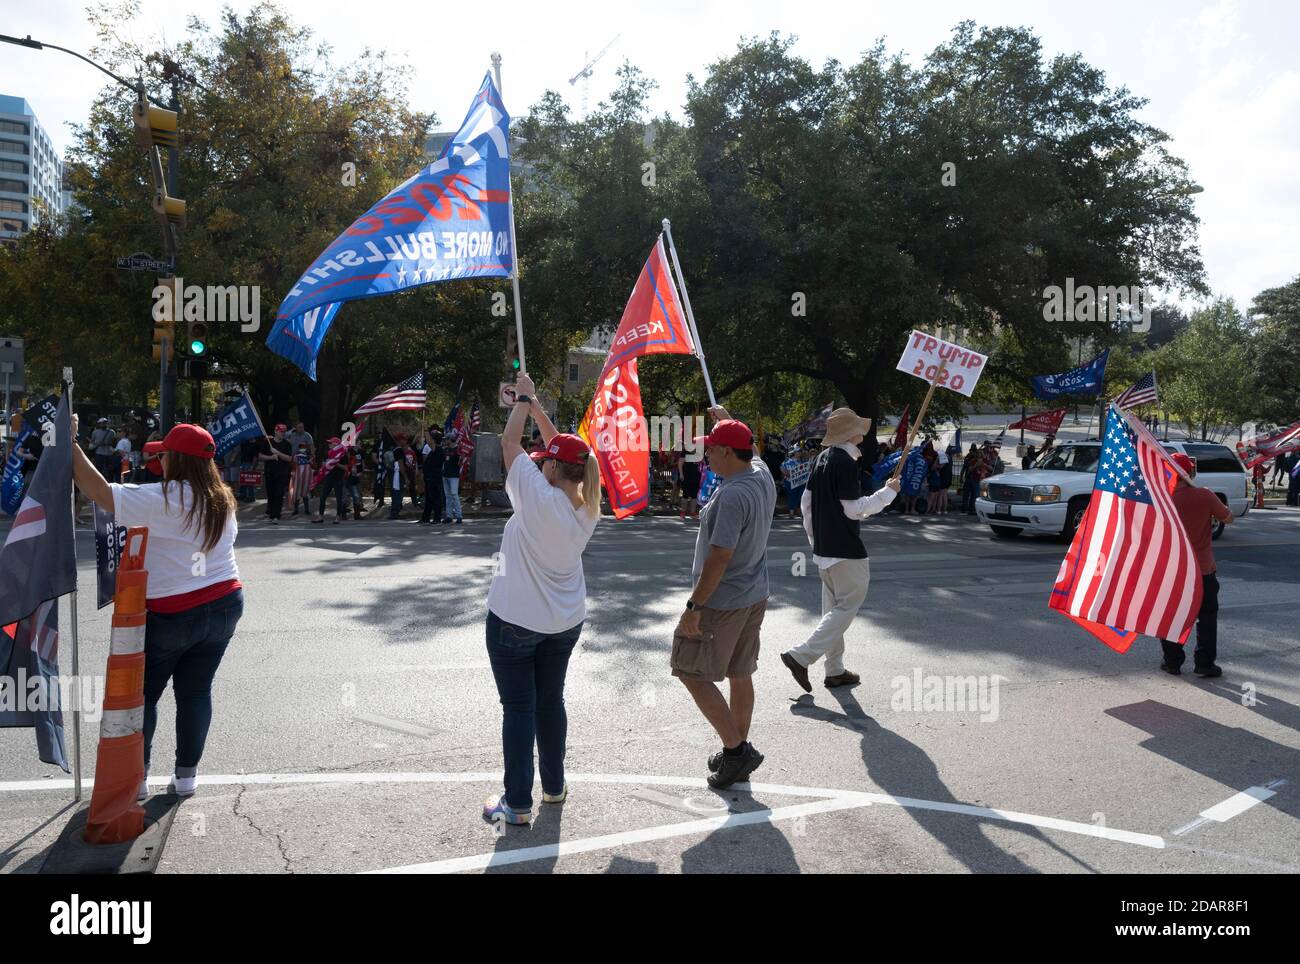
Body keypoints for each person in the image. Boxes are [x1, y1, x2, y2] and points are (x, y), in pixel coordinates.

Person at [69, 420, 242, 801]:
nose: (159, 459)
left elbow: (98, 491)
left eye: (163, 454)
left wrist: (70, 445)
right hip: (226, 602)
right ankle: (186, 779)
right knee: (197, 691)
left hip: (174, 611)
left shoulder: (163, 498)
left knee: (144, 695)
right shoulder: (223, 497)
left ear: (176, 459)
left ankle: (138, 778)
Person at [481, 373, 601, 826]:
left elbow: (509, 445)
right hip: (565, 621)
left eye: (546, 460)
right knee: (550, 703)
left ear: (551, 467)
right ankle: (553, 786)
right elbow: (568, 451)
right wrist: (537, 410)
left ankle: (517, 802)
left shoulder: (536, 497)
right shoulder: (587, 501)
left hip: (515, 620)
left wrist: (524, 398)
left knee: (519, 709)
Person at [673, 408, 775, 789]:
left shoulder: (733, 495)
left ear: (729, 454)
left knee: (689, 670)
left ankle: (736, 751)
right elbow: (753, 448)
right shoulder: (760, 473)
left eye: (712, 448)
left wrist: (693, 608)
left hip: (724, 600)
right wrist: (728, 418)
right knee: (740, 671)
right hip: (754, 593)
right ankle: (738, 747)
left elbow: (719, 557)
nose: (707, 455)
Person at [782, 407, 900, 691]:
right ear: (852, 433)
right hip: (845, 548)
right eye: (860, 426)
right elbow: (854, 510)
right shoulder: (845, 463)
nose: (864, 430)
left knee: (833, 611)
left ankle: (834, 670)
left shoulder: (822, 458)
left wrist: (815, 540)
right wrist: (888, 494)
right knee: (845, 608)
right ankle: (802, 655)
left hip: (825, 548)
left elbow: (805, 504)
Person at [1159, 454, 1233, 677]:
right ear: (1190, 473)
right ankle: (1204, 663)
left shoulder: (1164, 499)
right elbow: (1228, 518)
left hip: (1175, 570)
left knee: (1172, 616)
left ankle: (1172, 662)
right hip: (1203, 570)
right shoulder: (1205, 495)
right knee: (1207, 618)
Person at [258, 424, 293, 524]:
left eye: (284, 431)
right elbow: (260, 456)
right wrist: (271, 457)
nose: (282, 433)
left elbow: (289, 458)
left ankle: (276, 515)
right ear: (275, 431)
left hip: (282, 473)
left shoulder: (287, 444)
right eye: (281, 431)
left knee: (279, 494)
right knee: (270, 494)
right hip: (269, 473)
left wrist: (277, 453)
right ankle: (271, 512)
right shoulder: (268, 442)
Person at [313, 436, 349, 524]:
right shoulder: (328, 453)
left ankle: (338, 516)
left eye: (331, 443)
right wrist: (323, 466)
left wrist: (336, 463)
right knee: (323, 497)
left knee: (339, 498)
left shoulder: (342, 455)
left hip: (338, 479)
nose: (329, 445)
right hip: (328, 478)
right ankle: (320, 516)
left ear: (336, 445)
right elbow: (324, 465)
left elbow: (346, 468)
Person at [419, 428, 447, 524]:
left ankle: (437, 518)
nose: (429, 440)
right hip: (429, 477)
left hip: (434, 478)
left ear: (434, 440)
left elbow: (430, 443)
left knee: (436, 498)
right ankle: (425, 518)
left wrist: (425, 429)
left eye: (431, 438)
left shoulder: (438, 450)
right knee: (429, 499)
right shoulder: (434, 450)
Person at [443, 434, 463, 523]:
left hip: (454, 476)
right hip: (445, 474)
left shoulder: (458, 449)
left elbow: (460, 463)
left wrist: (461, 459)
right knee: (448, 496)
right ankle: (449, 516)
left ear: (450, 440)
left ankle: (459, 516)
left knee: (454, 494)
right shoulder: (446, 449)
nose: (445, 441)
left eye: (446, 439)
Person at [678, 449, 701, 520]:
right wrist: (681, 474)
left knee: (694, 495)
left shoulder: (699, 451)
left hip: (696, 476)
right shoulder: (684, 452)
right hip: (686, 476)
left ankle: (693, 512)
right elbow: (680, 463)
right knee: (685, 495)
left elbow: (702, 462)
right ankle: (683, 512)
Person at [291, 441, 313, 515]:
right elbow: (294, 465)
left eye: (303, 447)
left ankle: (307, 510)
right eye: (301, 447)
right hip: (298, 476)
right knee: (297, 492)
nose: (302, 449)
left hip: (306, 475)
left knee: (305, 493)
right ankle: (296, 509)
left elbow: (312, 464)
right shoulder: (296, 456)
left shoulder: (308, 456)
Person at [960, 443, 983, 514]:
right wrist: (961, 477)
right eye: (972, 451)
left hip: (975, 479)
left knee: (974, 495)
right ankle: (964, 509)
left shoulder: (979, 460)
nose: (972, 452)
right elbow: (967, 468)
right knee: (967, 495)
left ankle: (971, 509)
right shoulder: (971, 459)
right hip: (969, 478)